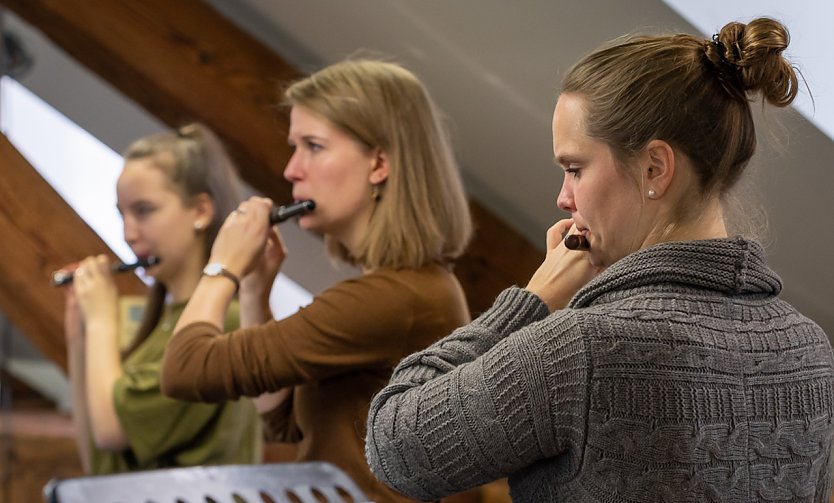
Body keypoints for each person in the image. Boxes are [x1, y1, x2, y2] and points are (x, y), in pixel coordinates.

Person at [365, 17, 834, 502]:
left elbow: (394, 445)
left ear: (655, 167)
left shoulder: (581, 348)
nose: (563, 198)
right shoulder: (809, 349)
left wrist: (530, 301)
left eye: (575, 169)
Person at [160, 59, 473, 502]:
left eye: (313, 146)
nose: (291, 169)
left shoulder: (393, 298)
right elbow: (287, 421)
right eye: (295, 146)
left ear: (379, 162)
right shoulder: (407, 288)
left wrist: (222, 267)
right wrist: (253, 291)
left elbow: (184, 370)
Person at [64, 123, 261, 473]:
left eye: (143, 211)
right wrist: (78, 337)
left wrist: (100, 321)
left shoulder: (220, 322)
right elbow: (98, 458)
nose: (127, 234)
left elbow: (112, 430)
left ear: (200, 211)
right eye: (121, 214)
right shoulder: (164, 322)